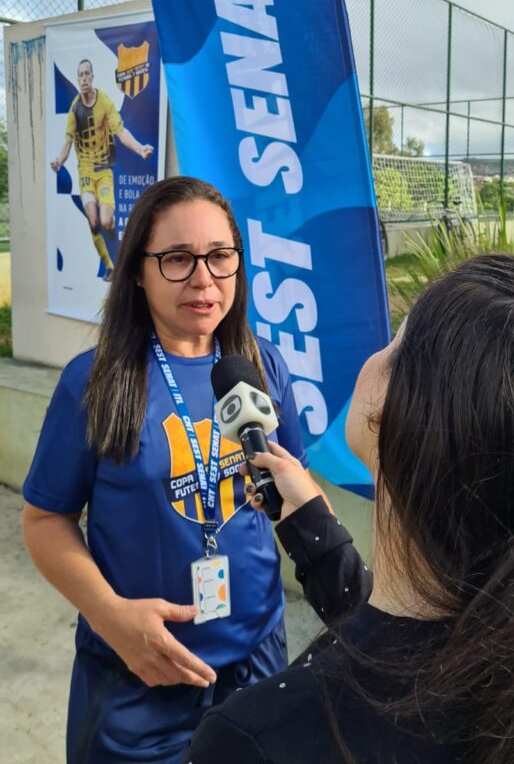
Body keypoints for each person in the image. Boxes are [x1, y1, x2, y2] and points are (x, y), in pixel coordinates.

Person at [189, 254, 514, 764]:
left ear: (399, 414)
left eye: (397, 339)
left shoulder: (257, 739)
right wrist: (312, 527)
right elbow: (403, 637)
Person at [22, 176, 311, 764]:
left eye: (219, 256)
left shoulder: (262, 366)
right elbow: (45, 520)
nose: (203, 279)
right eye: (177, 258)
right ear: (137, 270)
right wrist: (110, 617)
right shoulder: (94, 382)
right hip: (136, 678)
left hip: (257, 663)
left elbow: (297, 488)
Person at [50, 58, 154, 281]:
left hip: (104, 169)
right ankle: (109, 266)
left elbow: (121, 132)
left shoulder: (104, 102)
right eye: (80, 75)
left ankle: (112, 231)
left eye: (87, 74)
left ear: (92, 77)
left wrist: (140, 148)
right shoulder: (74, 110)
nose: (84, 79)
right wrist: (59, 161)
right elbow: (67, 142)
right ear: (78, 79)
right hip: (86, 172)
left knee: (106, 221)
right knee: (93, 221)